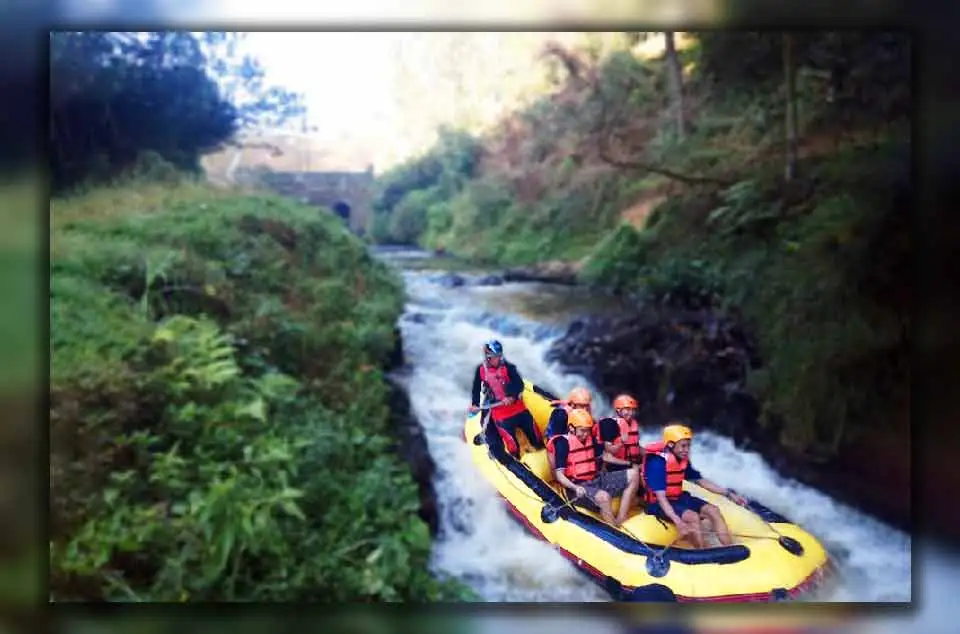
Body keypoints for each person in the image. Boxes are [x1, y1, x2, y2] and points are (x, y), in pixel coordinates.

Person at [641, 423, 748, 548]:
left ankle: (730, 549)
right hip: (657, 504)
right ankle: (702, 552)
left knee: (713, 510)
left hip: (679, 498)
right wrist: (678, 522)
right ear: (670, 445)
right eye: (683, 446)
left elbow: (700, 481)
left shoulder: (681, 459)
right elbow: (661, 498)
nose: (686, 450)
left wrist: (730, 494)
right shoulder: (657, 464)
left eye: (688, 446)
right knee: (693, 517)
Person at [548, 408, 641, 527]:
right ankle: (614, 531)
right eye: (583, 431)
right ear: (571, 428)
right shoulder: (562, 444)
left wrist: (629, 464)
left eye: (588, 431)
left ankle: (621, 518)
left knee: (634, 474)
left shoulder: (591, 439)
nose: (586, 434)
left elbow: (606, 457)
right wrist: (575, 487)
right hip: (577, 487)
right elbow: (559, 475)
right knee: (604, 497)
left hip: (597, 479)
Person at [470, 339, 544, 461]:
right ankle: (512, 459)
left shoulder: (508, 367)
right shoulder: (481, 370)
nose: (498, 359)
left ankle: (540, 450)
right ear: (488, 357)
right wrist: (475, 403)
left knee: (535, 435)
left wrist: (512, 396)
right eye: (495, 357)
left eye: (499, 356)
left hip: (518, 408)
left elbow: (519, 384)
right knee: (512, 445)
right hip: (500, 414)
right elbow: (476, 388)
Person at [544, 386, 593, 470]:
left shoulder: (584, 412)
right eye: (582, 406)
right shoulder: (561, 415)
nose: (585, 409)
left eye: (587, 406)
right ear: (573, 405)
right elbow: (556, 439)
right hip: (558, 438)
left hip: (576, 435)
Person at [593, 394, 644, 472]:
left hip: (631, 462)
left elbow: (636, 447)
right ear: (618, 410)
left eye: (633, 410)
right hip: (615, 465)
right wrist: (622, 443)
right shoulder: (609, 424)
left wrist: (652, 452)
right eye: (627, 409)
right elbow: (608, 452)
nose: (631, 413)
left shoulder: (633, 424)